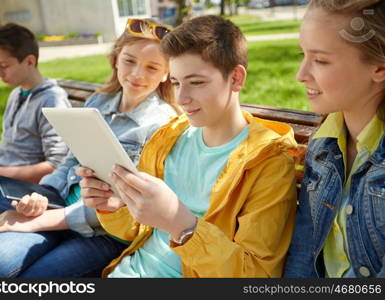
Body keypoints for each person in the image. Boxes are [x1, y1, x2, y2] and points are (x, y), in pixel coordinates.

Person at [79, 15, 298, 278]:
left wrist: (181, 224)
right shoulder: (169, 137)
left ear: (236, 79)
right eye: (176, 83)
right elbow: (137, 230)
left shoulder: (268, 161)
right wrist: (115, 205)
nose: (182, 98)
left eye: (196, 83)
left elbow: (255, 275)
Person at [0, 18, 179, 278]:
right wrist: (40, 195)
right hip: (55, 207)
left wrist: (45, 219)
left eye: (152, 67)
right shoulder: (99, 102)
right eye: (129, 61)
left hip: (104, 232)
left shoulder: (163, 124)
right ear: (116, 59)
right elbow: (69, 162)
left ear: (167, 73)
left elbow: (131, 201)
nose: (137, 74)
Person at [284, 0, 385, 278]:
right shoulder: (322, 145)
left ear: (379, 67)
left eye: (320, 60)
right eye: (302, 55)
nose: (300, 75)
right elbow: (304, 253)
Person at [0, 23, 70, 235]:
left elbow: (55, 166)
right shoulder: (17, 94)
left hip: (6, 191)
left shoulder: (52, 100)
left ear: (29, 61)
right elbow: (11, 147)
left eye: (4, 65)